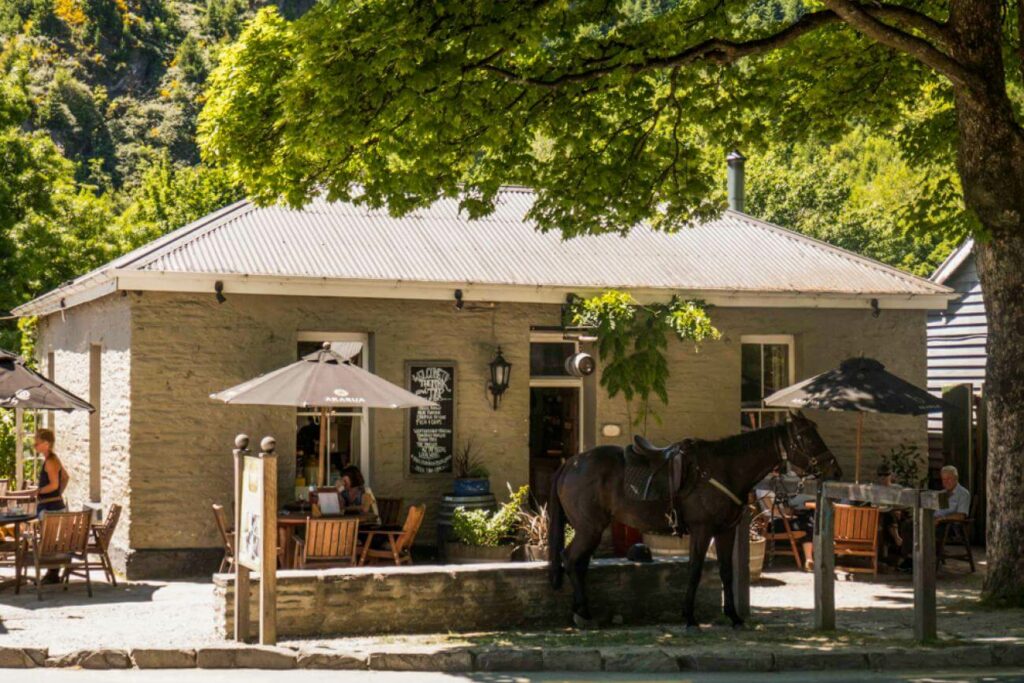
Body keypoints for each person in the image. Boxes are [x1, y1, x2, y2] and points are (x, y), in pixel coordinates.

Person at [897, 465, 971, 571]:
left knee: (924, 530)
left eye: (948, 479)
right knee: (909, 524)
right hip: (934, 521)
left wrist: (941, 519)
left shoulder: (963, 494)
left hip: (949, 526)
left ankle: (921, 561)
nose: (946, 482)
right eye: (943, 479)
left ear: (956, 478)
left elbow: (961, 515)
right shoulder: (941, 493)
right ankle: (909, 557)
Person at [32, 428, 69, 583]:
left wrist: (39, 491)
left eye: (37, 442)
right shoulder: (51, 459)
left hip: (51, 508)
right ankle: (51, 573)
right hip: (52, 505)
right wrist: (58, 494)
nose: (34, 445)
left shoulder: (51, 461)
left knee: (49, 540)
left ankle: (52, 574)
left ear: (46, 444)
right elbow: (66, 477)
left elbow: (54, 484)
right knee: (50, 540)